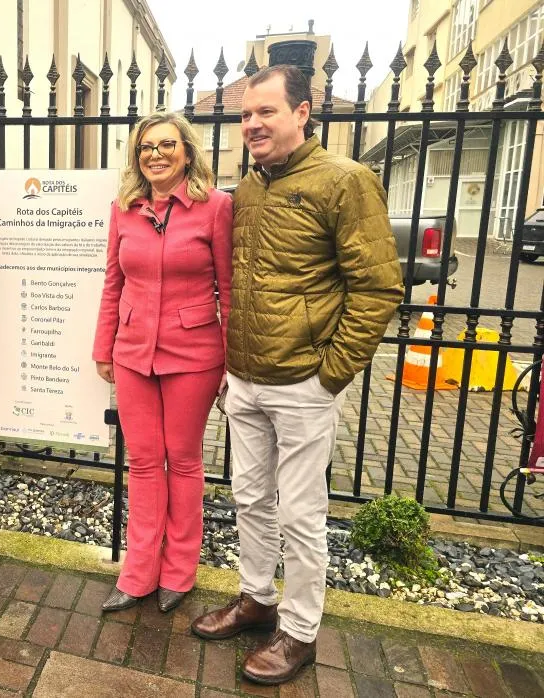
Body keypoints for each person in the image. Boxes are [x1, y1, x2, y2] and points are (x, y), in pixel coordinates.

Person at [190, 65, 404, 685]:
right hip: (247, 378)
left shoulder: (346, 181)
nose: (252, 124)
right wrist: (234, 366)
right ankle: (256, 597)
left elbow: (378, 287)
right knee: (251, 497)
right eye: (245, 115)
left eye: (266, 112)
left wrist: (330, 374)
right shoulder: (249, 188)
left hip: (305, 383)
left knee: (301, 513)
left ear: (303, 112)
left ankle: (300, 630)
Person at [93, 111, 233, 614]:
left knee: (184, 459)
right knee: (144, 462)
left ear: (186, 152)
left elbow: (229, 288)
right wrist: (102, 346)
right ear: (137, 156)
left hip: (194, 354)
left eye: (166, 145)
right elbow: (114, 281)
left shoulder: (215, 208)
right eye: (147, 146)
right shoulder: (124, 209)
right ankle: (138, 573)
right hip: (132, 351)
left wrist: (231, 361)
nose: (156, 154)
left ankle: (179, 572)